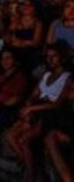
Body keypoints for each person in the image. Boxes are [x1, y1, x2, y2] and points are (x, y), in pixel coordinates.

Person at [5, 42, 73, 182]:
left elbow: (58, 103)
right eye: (48, 56)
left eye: (54, 56)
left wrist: (32, 108)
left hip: (50, 113)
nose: (50, 59)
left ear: (62, 57)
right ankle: (31, 169)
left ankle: (31, 176)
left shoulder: (68, 77)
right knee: (11, 136)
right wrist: (29, 103)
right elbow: (34, 94)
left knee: (24, 139)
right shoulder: (46, 75)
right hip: (37, 109)